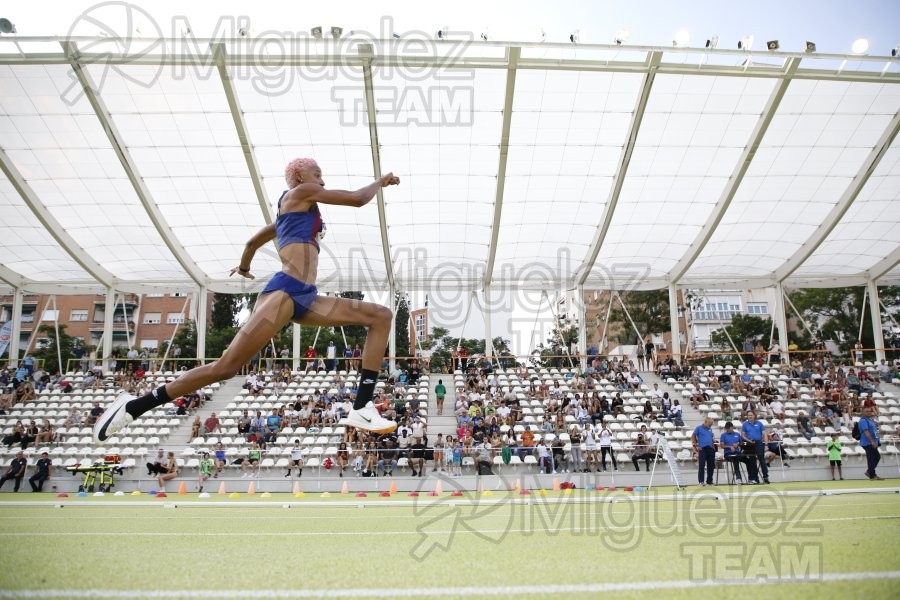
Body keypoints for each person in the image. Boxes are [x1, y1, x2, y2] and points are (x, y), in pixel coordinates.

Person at [93, 160, 401, 443]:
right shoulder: (301, 192)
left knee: (381, 316)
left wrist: (244, 267)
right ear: (298, 177)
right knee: (226, 367)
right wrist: (380, 181)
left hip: (305, 297)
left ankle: (362, 406)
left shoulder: (287, 217)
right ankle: (135, 406)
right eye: (316, 173)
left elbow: (252, 241)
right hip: (284, 292)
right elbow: (358, 199)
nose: (321, 178)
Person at [741, 411, 769, 484]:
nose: (750, 416)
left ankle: (766, 477)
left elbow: (764, 434)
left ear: (754, 416)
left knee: (761, 459)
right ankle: (756, 479)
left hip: (759, 443)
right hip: (750, 444)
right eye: (748, 415)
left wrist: (766, 445)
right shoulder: (745, 424)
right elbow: (743, 435)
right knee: (752, 461)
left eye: (751, 415)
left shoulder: (759, 423)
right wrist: (749, 440)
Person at [858, 406, 883, 480]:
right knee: (871, 458)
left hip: (872, 442)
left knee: (877, 457)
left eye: (869, 411)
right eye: (866, 411)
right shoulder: (863, 421)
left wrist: (876, 441)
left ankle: (870, 472)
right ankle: (872, 475)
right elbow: (866, 432)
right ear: (862, 412)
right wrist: (872, 441)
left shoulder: (870, 420)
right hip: (867, 443)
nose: (869, 412)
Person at [692, 417, 716, 486]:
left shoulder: (710, 429)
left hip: (710, 449)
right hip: (702, 449)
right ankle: (701, 481)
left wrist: (713, 448)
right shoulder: (698, 428)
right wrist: (696, 445)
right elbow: (693, 436)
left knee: (711, 465)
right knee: (702, 465)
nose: (711, 425)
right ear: (705, 422)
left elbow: (711, 439)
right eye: (710, 424)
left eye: (711, 424)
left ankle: (709, 481)